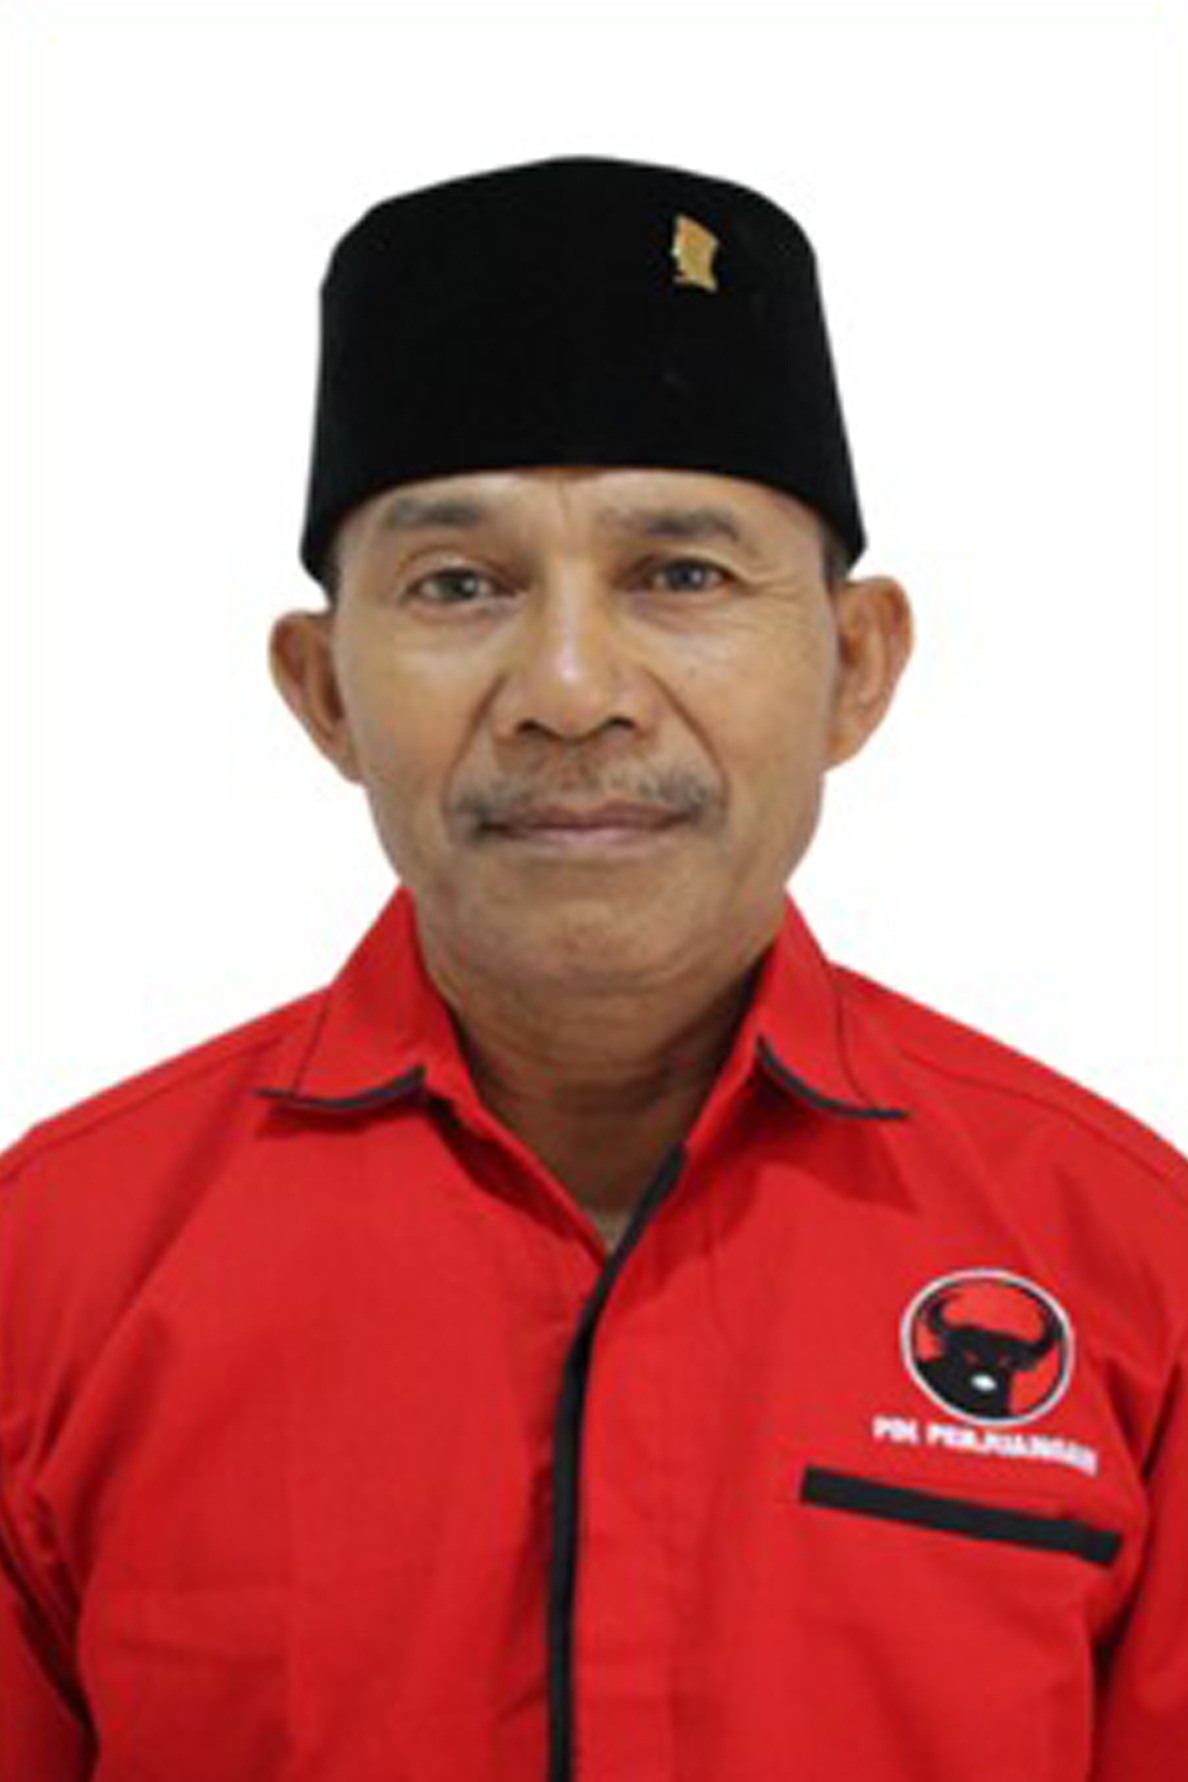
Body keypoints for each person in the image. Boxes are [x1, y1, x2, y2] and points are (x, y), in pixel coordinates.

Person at [0, 153, 1184, 1782]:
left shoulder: (1134, 1268)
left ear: (856, 665)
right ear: (323, 691)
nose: (570, 689)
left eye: (681, 575)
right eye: (459, 584)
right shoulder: (51, 1270)